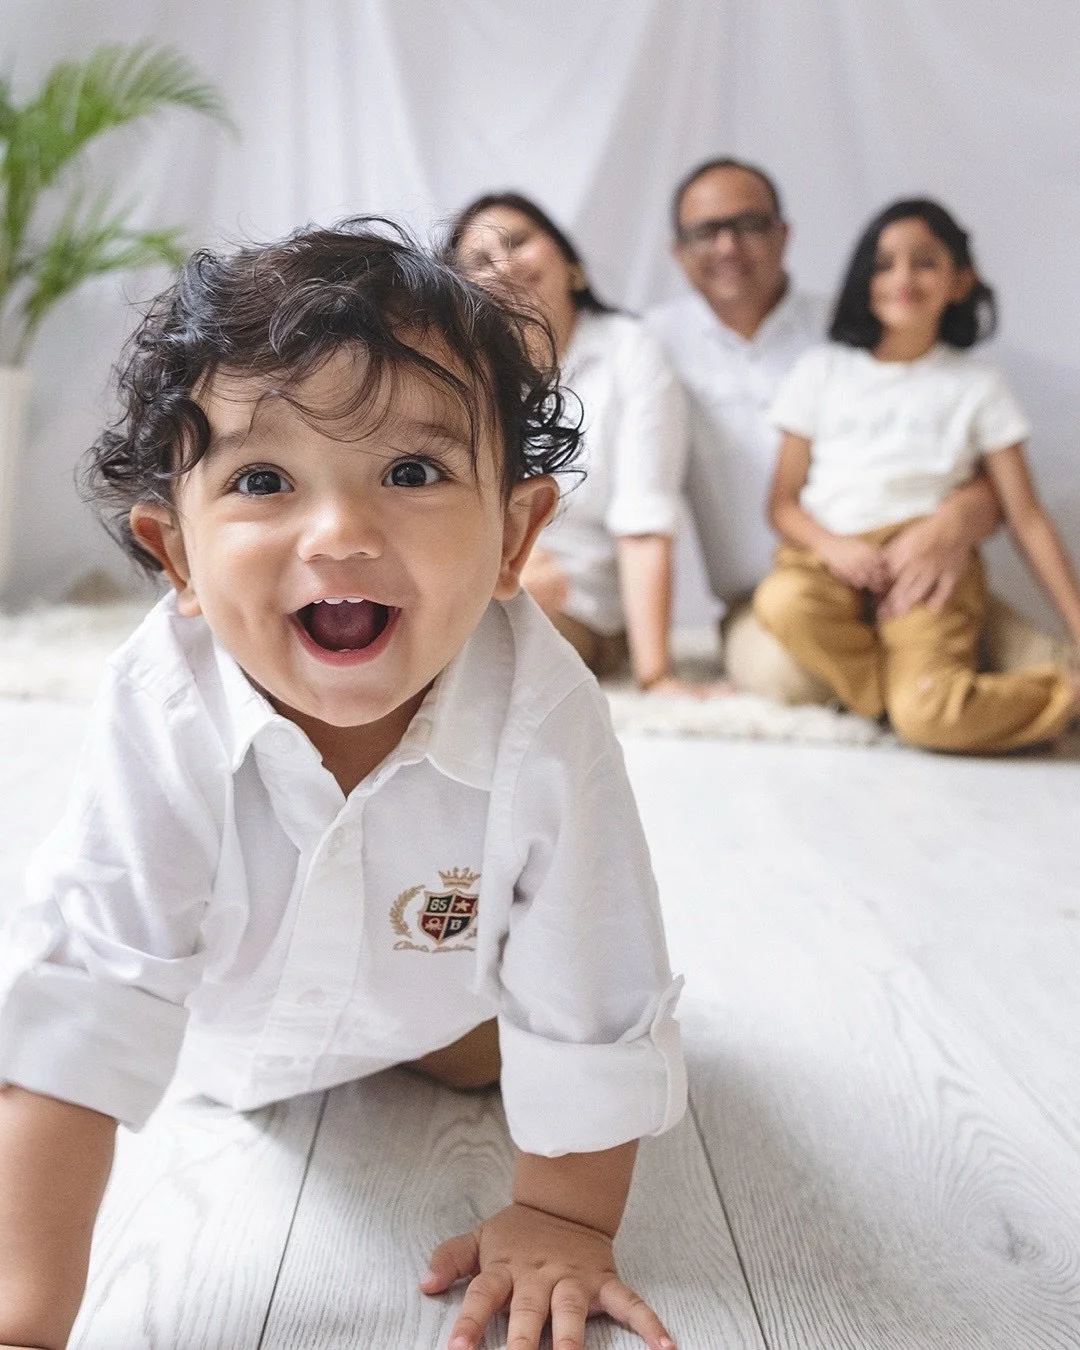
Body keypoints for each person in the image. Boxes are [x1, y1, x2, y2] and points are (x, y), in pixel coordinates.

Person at [0, 221, 686, 1350]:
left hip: (439, 989)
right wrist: (25, 1322)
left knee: (498, 1042)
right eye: (263, 479)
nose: (341, 533)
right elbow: (83, 1004)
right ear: (176, 556)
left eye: (412, 472)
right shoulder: (163, 706)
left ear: (514, 535)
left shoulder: (544, 709)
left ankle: (447, 1040)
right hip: (223, 1024)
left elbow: (592, 971)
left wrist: (563, 1217)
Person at [646, 158, 1070, 702]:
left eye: (750, 225)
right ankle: (923, 698)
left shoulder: (858, 329)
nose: (728, 246)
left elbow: (991, 473)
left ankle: (965, 681)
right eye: (706, 232)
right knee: (783, 674)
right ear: (677, 252)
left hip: (918, 560)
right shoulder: (650, 346)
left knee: (1033, 655)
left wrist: (956, 520)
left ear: (783, 234)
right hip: (790, 586)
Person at [754, 198, 1080, 751]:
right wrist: (834, 547)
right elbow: (781, 504)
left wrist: (1075, 623)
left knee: (931, 719)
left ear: (960, 280)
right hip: (829, 561)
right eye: (883, 265)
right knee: (783, 602)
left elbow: (1025, 516)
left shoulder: (977, 386)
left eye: (925, 262)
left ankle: (1062, 695)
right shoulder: (821, 371)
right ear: (863, 280)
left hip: (927, 567)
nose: (903, 279)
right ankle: (896, 701)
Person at [447, 192, 713, 695]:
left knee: (484, 635)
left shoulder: (630, 351)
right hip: (482, 577)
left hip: (578, 603)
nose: (503, 265)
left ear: (572, 266)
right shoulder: (459, 376)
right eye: (480, 261)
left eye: (517, 242)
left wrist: (656, 675)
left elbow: (645, 517)